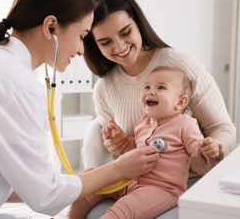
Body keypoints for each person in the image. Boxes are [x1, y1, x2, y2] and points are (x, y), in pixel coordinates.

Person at [0, 0, 161, 218]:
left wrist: (81, 181)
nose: (82, 50)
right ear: (51, 27)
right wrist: (117, 169)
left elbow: (14, 182)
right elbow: (45, 197)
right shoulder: (17, 84)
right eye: (82, 36)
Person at [83, 0, 236, 178]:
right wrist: (115, 144)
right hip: (136, 184)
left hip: (188, 181)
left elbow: (222, 128)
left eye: (125, 32)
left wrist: (214, 152)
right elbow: (120, 156)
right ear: (94, 44)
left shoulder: (181, 65)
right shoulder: (104, 89)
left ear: (138, 23)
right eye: (105, 42)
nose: (120, 46)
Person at [67, 66, 221, 218]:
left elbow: (197, 152)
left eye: (161, 87)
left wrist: (207, 149)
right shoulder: (143, 122)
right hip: (130, 180)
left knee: (123, 208)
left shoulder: (185, 123)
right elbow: (135, 148)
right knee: (90, 179)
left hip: (161, 188)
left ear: (180, 102)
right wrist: (122, 140)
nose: (150, 91)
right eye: (147, 86)